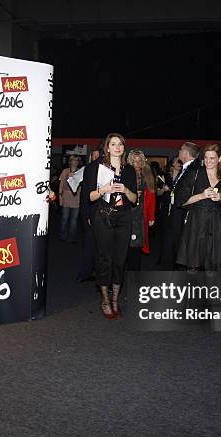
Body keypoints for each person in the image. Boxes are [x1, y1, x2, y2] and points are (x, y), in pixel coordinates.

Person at [85, 133, 137, 319]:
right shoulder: (96, 168)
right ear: (107, 147)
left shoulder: (129, 170)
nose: (117, 147)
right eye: (113, 144)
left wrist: (126, 190)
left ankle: (115, 299)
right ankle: (105, 300)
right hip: (103, 217)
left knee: (120, 259)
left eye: (120, 144)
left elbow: (134, 199)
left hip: (124, 218)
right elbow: (89, 197)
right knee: (105, 258)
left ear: (124, 148)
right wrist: (104, 190)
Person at [175, 143, 221, 271]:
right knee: (193, 267)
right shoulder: (194, 175)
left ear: (219, 159)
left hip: (217, 227)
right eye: (206, 157)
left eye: (212, 158)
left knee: (212, 269)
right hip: (196, 224)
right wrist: (201, 195)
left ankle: (209, 291)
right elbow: (181, 201)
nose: (208, 161)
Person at [160, 143, 200, 270]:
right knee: (172, 247)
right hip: (176, 214)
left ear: (186, 153)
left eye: (181, 150)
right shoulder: (186, 168)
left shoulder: (194, 169)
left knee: (182, 250)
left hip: (184, 215)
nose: (179, 151)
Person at [126, 149, 156, 270]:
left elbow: (152, 196)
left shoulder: (147, 174)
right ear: (130, 161)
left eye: (139, 161)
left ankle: (134, 273)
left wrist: (151, 216)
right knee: (125, 245)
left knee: (136, 246)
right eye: (134, 161)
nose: (137, 163)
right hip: (126, 213)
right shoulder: (126, 173)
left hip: (140, 215)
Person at [77, 148, 102, 282]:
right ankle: (86, 272)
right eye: (95, 156)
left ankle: (95, 271)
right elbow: (85, 194)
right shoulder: (88, 169)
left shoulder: (103, 171)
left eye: (99, 155)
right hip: (88, 210)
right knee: (90, 243)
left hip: (97, 212)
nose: (97, 157)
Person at [58, 155, 81, 242]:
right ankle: (62, 236)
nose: (75, 162)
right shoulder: (65, 171)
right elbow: (61, 185)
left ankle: (71, 238)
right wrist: (60, 197)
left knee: (74, 220)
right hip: (66, 197)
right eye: (73, 160)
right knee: (64, 218)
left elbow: (82, 186)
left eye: (76, 160)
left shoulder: (80, 172)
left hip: (77, 197)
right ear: (70, 161)